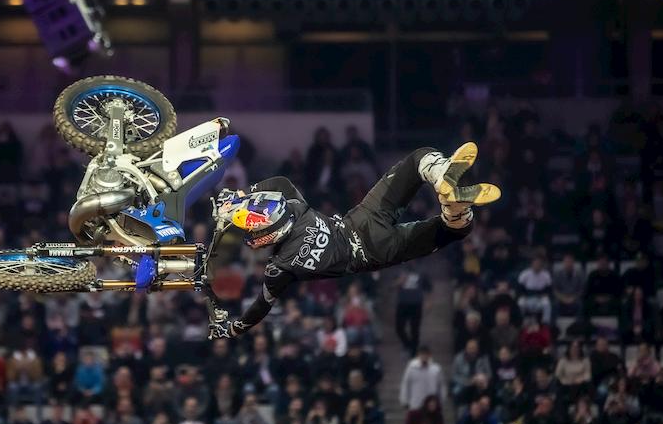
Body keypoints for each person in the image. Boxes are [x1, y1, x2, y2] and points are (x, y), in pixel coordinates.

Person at [208, 143, 501, 338]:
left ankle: (455, 208)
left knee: (453, 230)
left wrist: (234, 329)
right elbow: (280, 183)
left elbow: (259, 308)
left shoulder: (280, 269)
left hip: (374, 252)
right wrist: (242, 195)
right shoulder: (297, 208)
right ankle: (441, 178)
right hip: (363, 218)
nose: (253, 238)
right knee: (417, 158)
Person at [399, 345, 446, 410]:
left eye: (426, 354)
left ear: (429, 355)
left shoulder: (436, 369)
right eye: (422, 354)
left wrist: (441, 401)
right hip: (415, 404)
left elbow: (441, 386)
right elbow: (406, 384)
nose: (424, 356)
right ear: (418, 355)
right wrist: (404, 400)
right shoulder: (411, 368)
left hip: (431, 406)